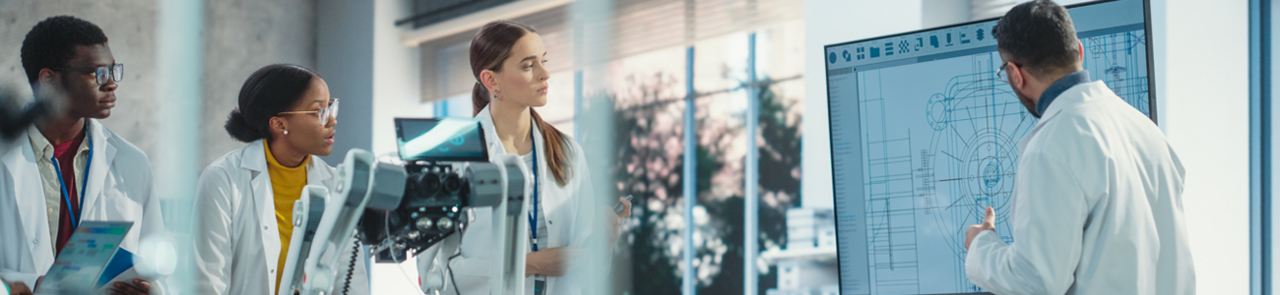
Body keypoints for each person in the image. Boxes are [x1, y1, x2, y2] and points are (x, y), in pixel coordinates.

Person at [962, 1, 1196, 294]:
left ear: (1015, 75)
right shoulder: (1146, 130)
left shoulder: (1050, 147)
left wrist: (980, 246)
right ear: (1079, 51)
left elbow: (1036, 282)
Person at [415, 20, 631, 295]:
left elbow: (588, 277)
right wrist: (524, 265)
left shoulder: (567, 152)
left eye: (543, 61)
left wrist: (604, 243)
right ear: (491, 80)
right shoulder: (452, 156)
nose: (545, 74)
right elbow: (432, 273)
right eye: (529, 66)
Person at [0, 15, 165, 295]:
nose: (111, 83)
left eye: (114, 71)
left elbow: (157, 265)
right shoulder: (7, 156)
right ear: (48, 80)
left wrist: (151, 290)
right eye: (97, 73)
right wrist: (28, 286)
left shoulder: (132, 163)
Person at [192, 64, 368, 295]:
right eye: (319, 111)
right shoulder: (223, 178)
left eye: (331, 107)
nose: (332, 121)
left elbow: (351, 281)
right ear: (279, 124)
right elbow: (209, 282)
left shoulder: (337, 185)